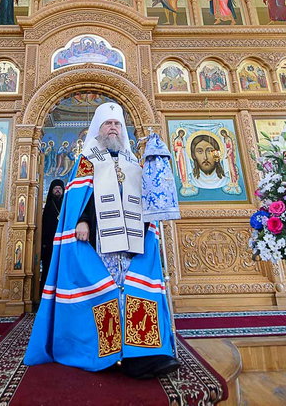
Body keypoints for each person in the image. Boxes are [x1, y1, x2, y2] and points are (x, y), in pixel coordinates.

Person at [25, 103, 179, 378]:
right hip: (98, 240)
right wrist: (82, 220)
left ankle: (142, 356)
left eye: (117, 124)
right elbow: (80, 196)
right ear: (99, 128)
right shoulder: (88, 159)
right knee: (106, 292)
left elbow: (147, 197)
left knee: (135, 291)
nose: (113, 128)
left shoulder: (132, 161)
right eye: (108, 124)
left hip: (134, 240)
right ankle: (106, 353)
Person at [40, 179, 65, 293]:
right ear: (51, 190)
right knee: (49, 267)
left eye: (60, 188)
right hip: (49, 243)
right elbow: (45, 225)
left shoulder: (65, 205)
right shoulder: (49, 206)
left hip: (63, 241)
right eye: (55, 188)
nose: (58, 191)